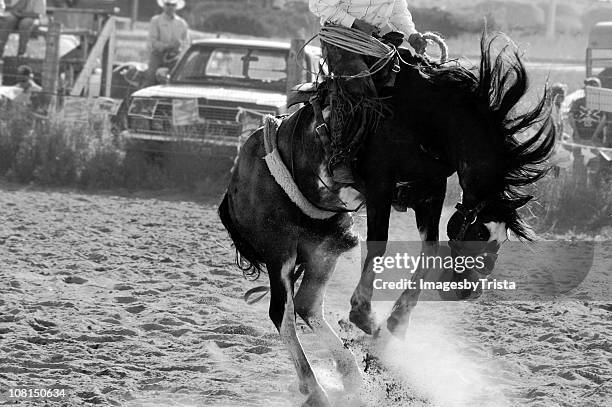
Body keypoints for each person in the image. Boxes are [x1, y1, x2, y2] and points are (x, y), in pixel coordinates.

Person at [309, 0, 427, 184]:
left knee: (411, 78)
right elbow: (317, 5)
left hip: (372, 40)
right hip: (339, 38)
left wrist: (411, 34)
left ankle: (402, 155)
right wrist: (354, 23)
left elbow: (398, 10)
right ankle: (341, 156)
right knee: (358, 82)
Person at [145, 0, 189, 87]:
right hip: (158, 55)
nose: (170, 7)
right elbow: (152, 41)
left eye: (173, 5)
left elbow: (186, 41)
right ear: (163, 6)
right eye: (168, 4)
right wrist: (167, 46)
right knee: (151, 77)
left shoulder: (182, 23)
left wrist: (180, 46)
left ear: (176, 7)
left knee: (180, 79)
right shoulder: (156, 20)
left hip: (175, 56)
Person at [568, 77, 607, 146]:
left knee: (595, 156)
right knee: (578, 155)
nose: (586, 90)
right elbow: (571, 117)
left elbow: (604, 120)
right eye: (586, 88)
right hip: (579, 137)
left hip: (597, 139)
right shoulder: (578, 102)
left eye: (590, 88)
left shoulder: (603, 103)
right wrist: (577, 134)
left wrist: (594, 137)